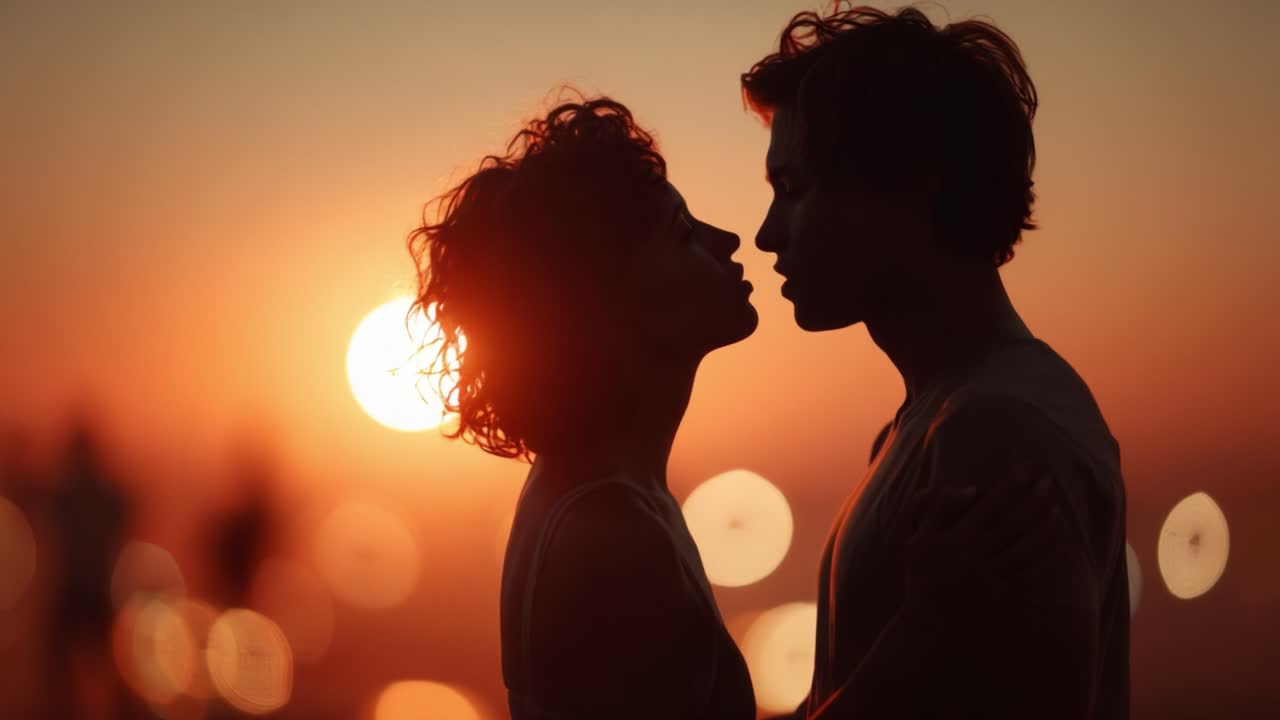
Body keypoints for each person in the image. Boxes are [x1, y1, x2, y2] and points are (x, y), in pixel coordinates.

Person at [409, 94, 1060, 720]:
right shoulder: (611, 533)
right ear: (608, 299)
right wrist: (925, 623)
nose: (727, 239)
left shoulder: (602, 492)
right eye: (682, 231)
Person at [742, 5, 1129, 719]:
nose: (768, 235)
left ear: (913, 183)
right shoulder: (926, 424)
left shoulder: (996, 433)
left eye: (793, 190)